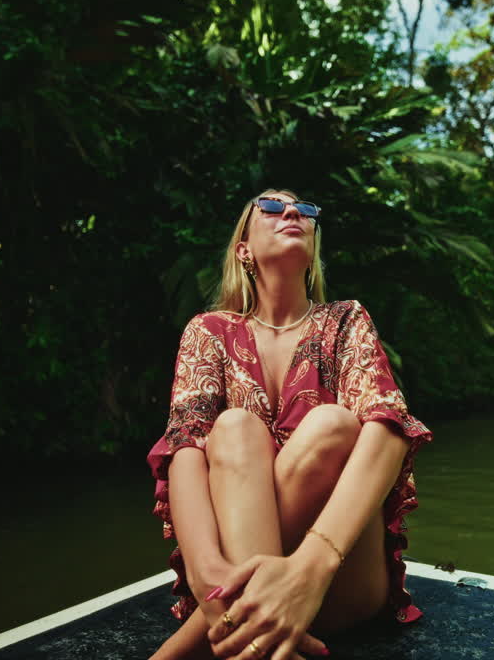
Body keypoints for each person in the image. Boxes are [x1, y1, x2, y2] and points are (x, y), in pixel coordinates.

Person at [145, 190, 431, 660]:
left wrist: (312, 563)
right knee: (233, 427)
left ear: (314, 244)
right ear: (244, 249)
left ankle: (183, 647)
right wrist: (207, 574)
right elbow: (184, 448)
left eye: (305, 209)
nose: (294, 212)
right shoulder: (209, 330)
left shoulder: (345, 320)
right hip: (228, 587)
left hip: (336, 580)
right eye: (272, 208)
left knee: (335, 425)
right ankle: (246, 626)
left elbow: (388, 427)